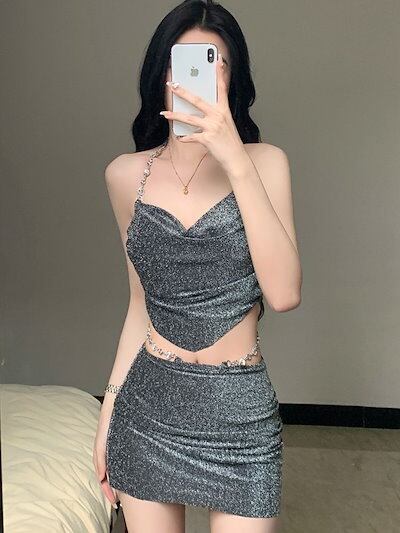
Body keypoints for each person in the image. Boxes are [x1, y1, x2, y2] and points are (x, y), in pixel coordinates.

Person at [93, 1, 302, 531]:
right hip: (148, 411)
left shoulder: (266, 163)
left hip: (241, 416)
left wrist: (234, 157)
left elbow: (283, 294)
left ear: (233, 78)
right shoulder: (125, 176)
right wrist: (108, 411)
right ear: (160, 76)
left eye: (213, 62)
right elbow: (140, 305)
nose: (194, 76)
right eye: (180, 62)